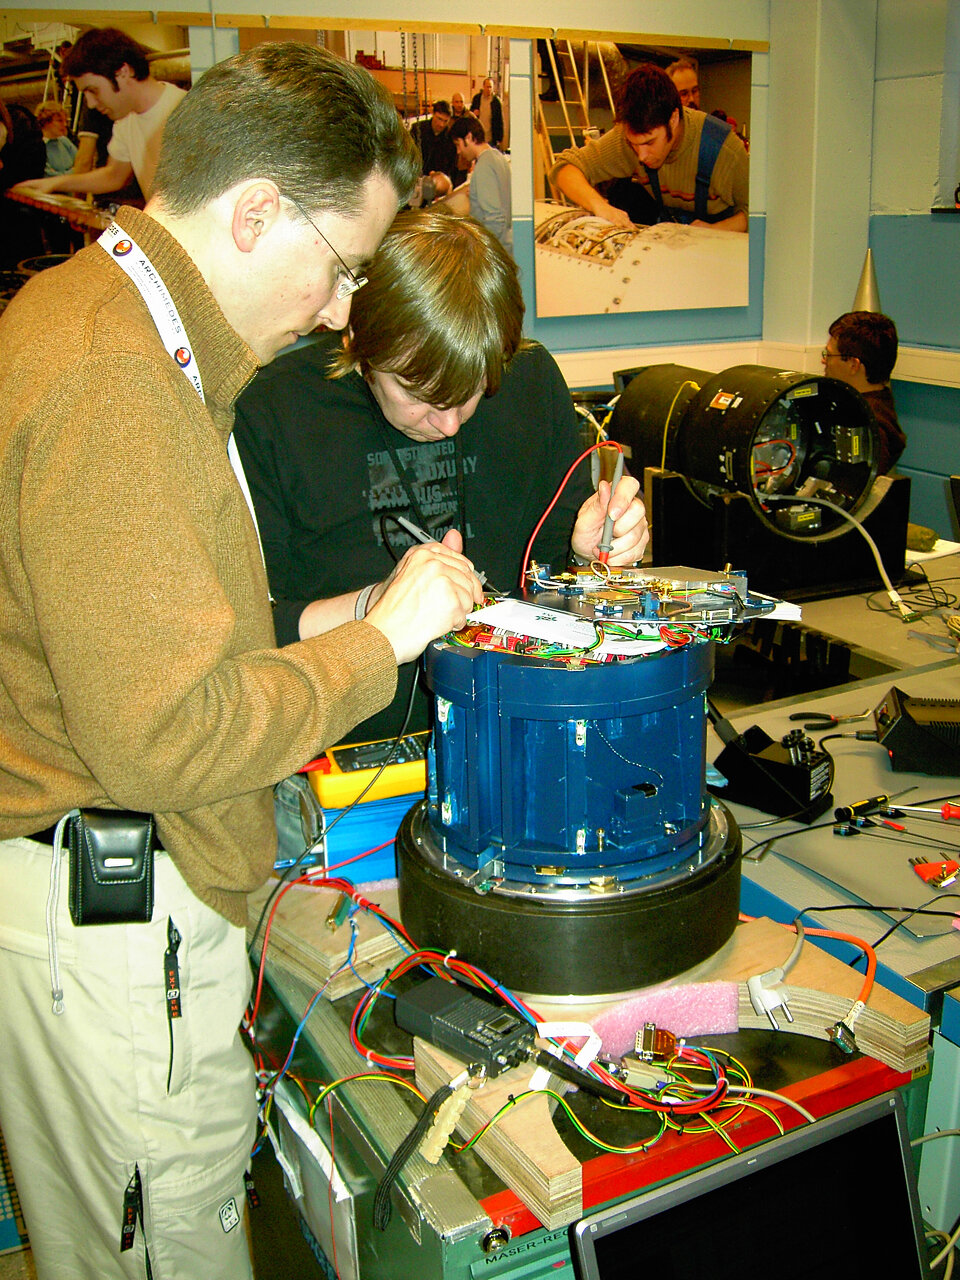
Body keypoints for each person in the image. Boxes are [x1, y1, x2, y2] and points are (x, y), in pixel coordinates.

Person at [0, 43, 481, 1280]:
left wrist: (335, 620)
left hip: (104, 895)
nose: (337, 307)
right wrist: (383, 643)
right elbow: (162, 732)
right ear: (258, 209)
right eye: (343, 267)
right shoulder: (116, 377)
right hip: (109, 919)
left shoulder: (113, 324)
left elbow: (143, 640)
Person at [233, 207, 648, 744]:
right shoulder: (272, 408)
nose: (449, 423)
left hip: (516, 729)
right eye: (417, 393)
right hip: (351, 752)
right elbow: (253, 635)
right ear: (360, 343)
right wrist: (376, 608)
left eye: (473, 392)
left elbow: (557, 587)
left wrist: (591, 556)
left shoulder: (531, 381)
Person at [550, 62, 748, 231]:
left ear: (673, 120)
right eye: (633, 144)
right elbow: (564, 167)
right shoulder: (628, 139)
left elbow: (759, 213)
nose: (641, 156)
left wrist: (715, 231)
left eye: (649, 142)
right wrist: (599, 206)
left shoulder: (725, 150)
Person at [13, 27, 185, 201]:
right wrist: (53, 183)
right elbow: (114, 176)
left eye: (93, 91)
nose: (91, 103)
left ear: (123, 72)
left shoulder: (185, 113)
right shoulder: (127, 121)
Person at [822, 311, 906, 473]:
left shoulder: (869, 426)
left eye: (829, 355)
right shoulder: (877, 405)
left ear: (854, 365)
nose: (824, 361)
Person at [450, 113, 513, 253]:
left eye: (458, 144)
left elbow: (494, 218)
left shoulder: (484, 165)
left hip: (495, 250)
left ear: (469, 137)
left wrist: (483, 252)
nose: (459, 151)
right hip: (506, 244)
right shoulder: (498, 157)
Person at [410, 98, 460, 191]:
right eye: (439, 119)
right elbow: (409, 156)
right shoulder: (418, 129)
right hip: (416, 180)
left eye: (445, 121)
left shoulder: (450, 138)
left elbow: (452, 165)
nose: (441, 124)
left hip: (438, 186)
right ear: (433, 114)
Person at [35, 101, 78, 175]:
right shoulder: (37, 147)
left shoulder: (65, 141)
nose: (64, 124)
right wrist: (73, 171)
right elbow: (49, 176)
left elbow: (81, 164)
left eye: (66, 121)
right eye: (60, 121)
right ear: (46, 122)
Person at [470, 76, 505, 149]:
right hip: (478, 137)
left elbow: (500, 120)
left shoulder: (496, 102)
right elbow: (470, 114)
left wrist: (499, 138)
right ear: (483, 87)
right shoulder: (477, 99)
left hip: (491, 138)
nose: (488, 89)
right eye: (487, 87)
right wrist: (474, 112)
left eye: (490, 87)